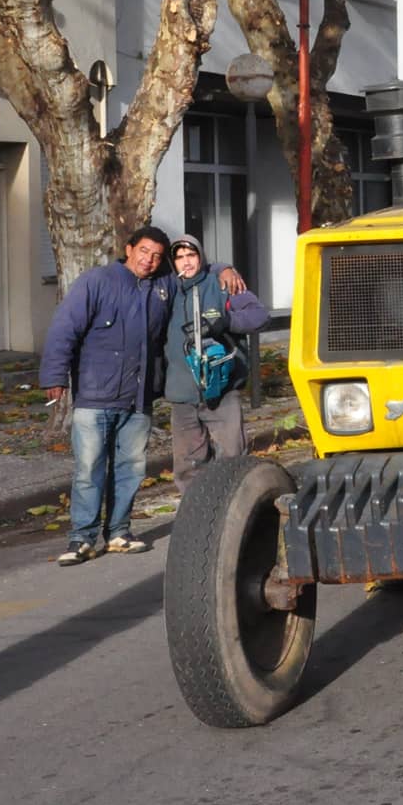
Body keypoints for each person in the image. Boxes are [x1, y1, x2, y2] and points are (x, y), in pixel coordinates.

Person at [39, 225, 242, 566]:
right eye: (144, 252)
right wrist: (54, 376)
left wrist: (224, 268)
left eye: (157, 257)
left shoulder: (162, 286)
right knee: (89, 469)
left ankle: (119, 532)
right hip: (94, 396)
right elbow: (64, 329)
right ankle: (82, 538)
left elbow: (193, 269)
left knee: (131, 468)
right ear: (129, 249)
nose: (149, 261)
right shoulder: (97, 281)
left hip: (137, 397)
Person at [164, 233, 267, 493]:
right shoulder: (168, 292)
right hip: (182, 392)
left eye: (191, 255)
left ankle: (234, 512)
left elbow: (259, 315)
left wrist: (227, 322)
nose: (186, 262)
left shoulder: (222, 284)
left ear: (201, 257)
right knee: (188, 465)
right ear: (173, 262)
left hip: (222, 388)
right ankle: (196, 514)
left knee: (232, 457)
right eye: (179, 258)